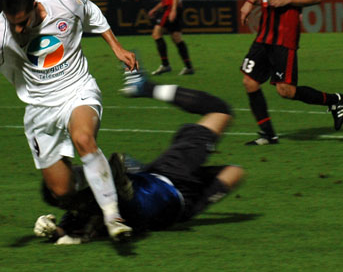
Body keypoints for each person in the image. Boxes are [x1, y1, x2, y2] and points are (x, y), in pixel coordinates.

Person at [0, 0, 138, 241]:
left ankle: (113, 216)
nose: (18, 29)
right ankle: (110, 173)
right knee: (61, 191)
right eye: (12, 22)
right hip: (40, 109)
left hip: (78, 90)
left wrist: (117, 47)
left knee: (83, 138)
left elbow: (90, 10)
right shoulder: (2, 30)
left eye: (22, 21)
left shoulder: (64, 5)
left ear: (34, 7)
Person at [33, 67, 244, 244]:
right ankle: (147, 88)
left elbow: (68, 226)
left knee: (234, 172)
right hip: (167, 181)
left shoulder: (76, 211)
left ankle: (166, 198)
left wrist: (53, 230)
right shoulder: (89, 198)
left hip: (168, 198)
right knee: (220, 110)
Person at [239, 0, 343, 146]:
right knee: (250, 82)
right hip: (264, 36)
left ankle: (334, 100)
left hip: (284, 38)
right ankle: (268, 134)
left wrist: (290, 0)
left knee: (285, 91)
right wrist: (251, 1)